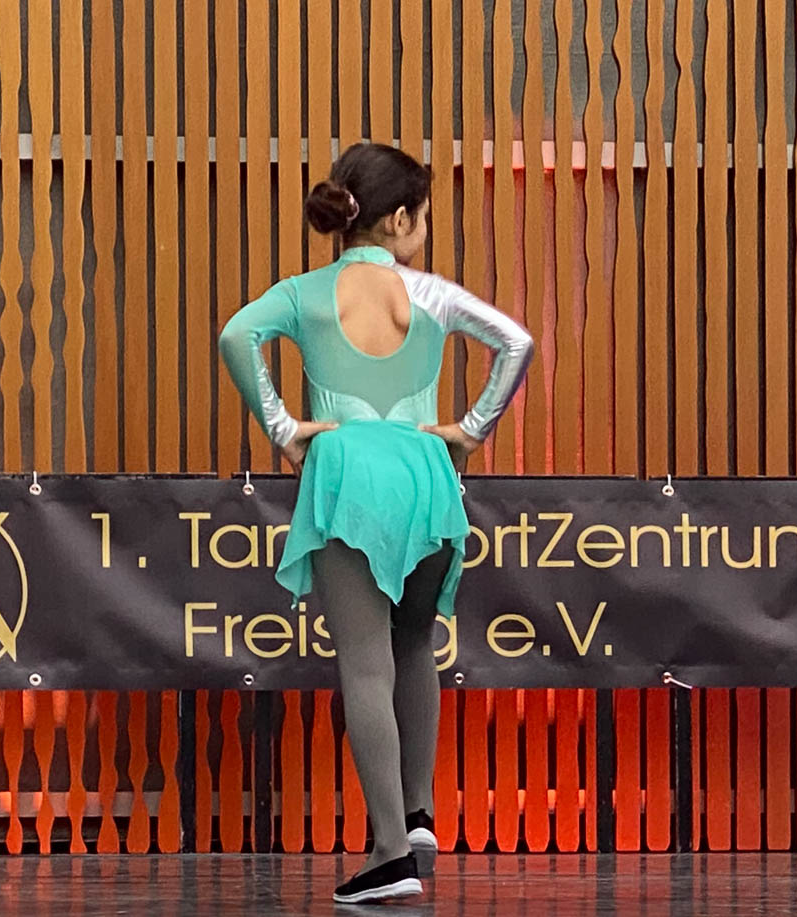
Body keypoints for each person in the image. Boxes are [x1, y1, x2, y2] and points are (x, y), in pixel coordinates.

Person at [219, 142, 533, 902]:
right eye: (423, 215)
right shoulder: (431, 294)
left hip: (349, 473)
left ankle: (389, 854)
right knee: (415, 642)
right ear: (398, 219)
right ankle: (417, 816)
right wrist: (471, 429)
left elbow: (236, 336)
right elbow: (517, 342)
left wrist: (282, 426)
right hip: (427, 473)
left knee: (365, 664)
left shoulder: (303, 293)